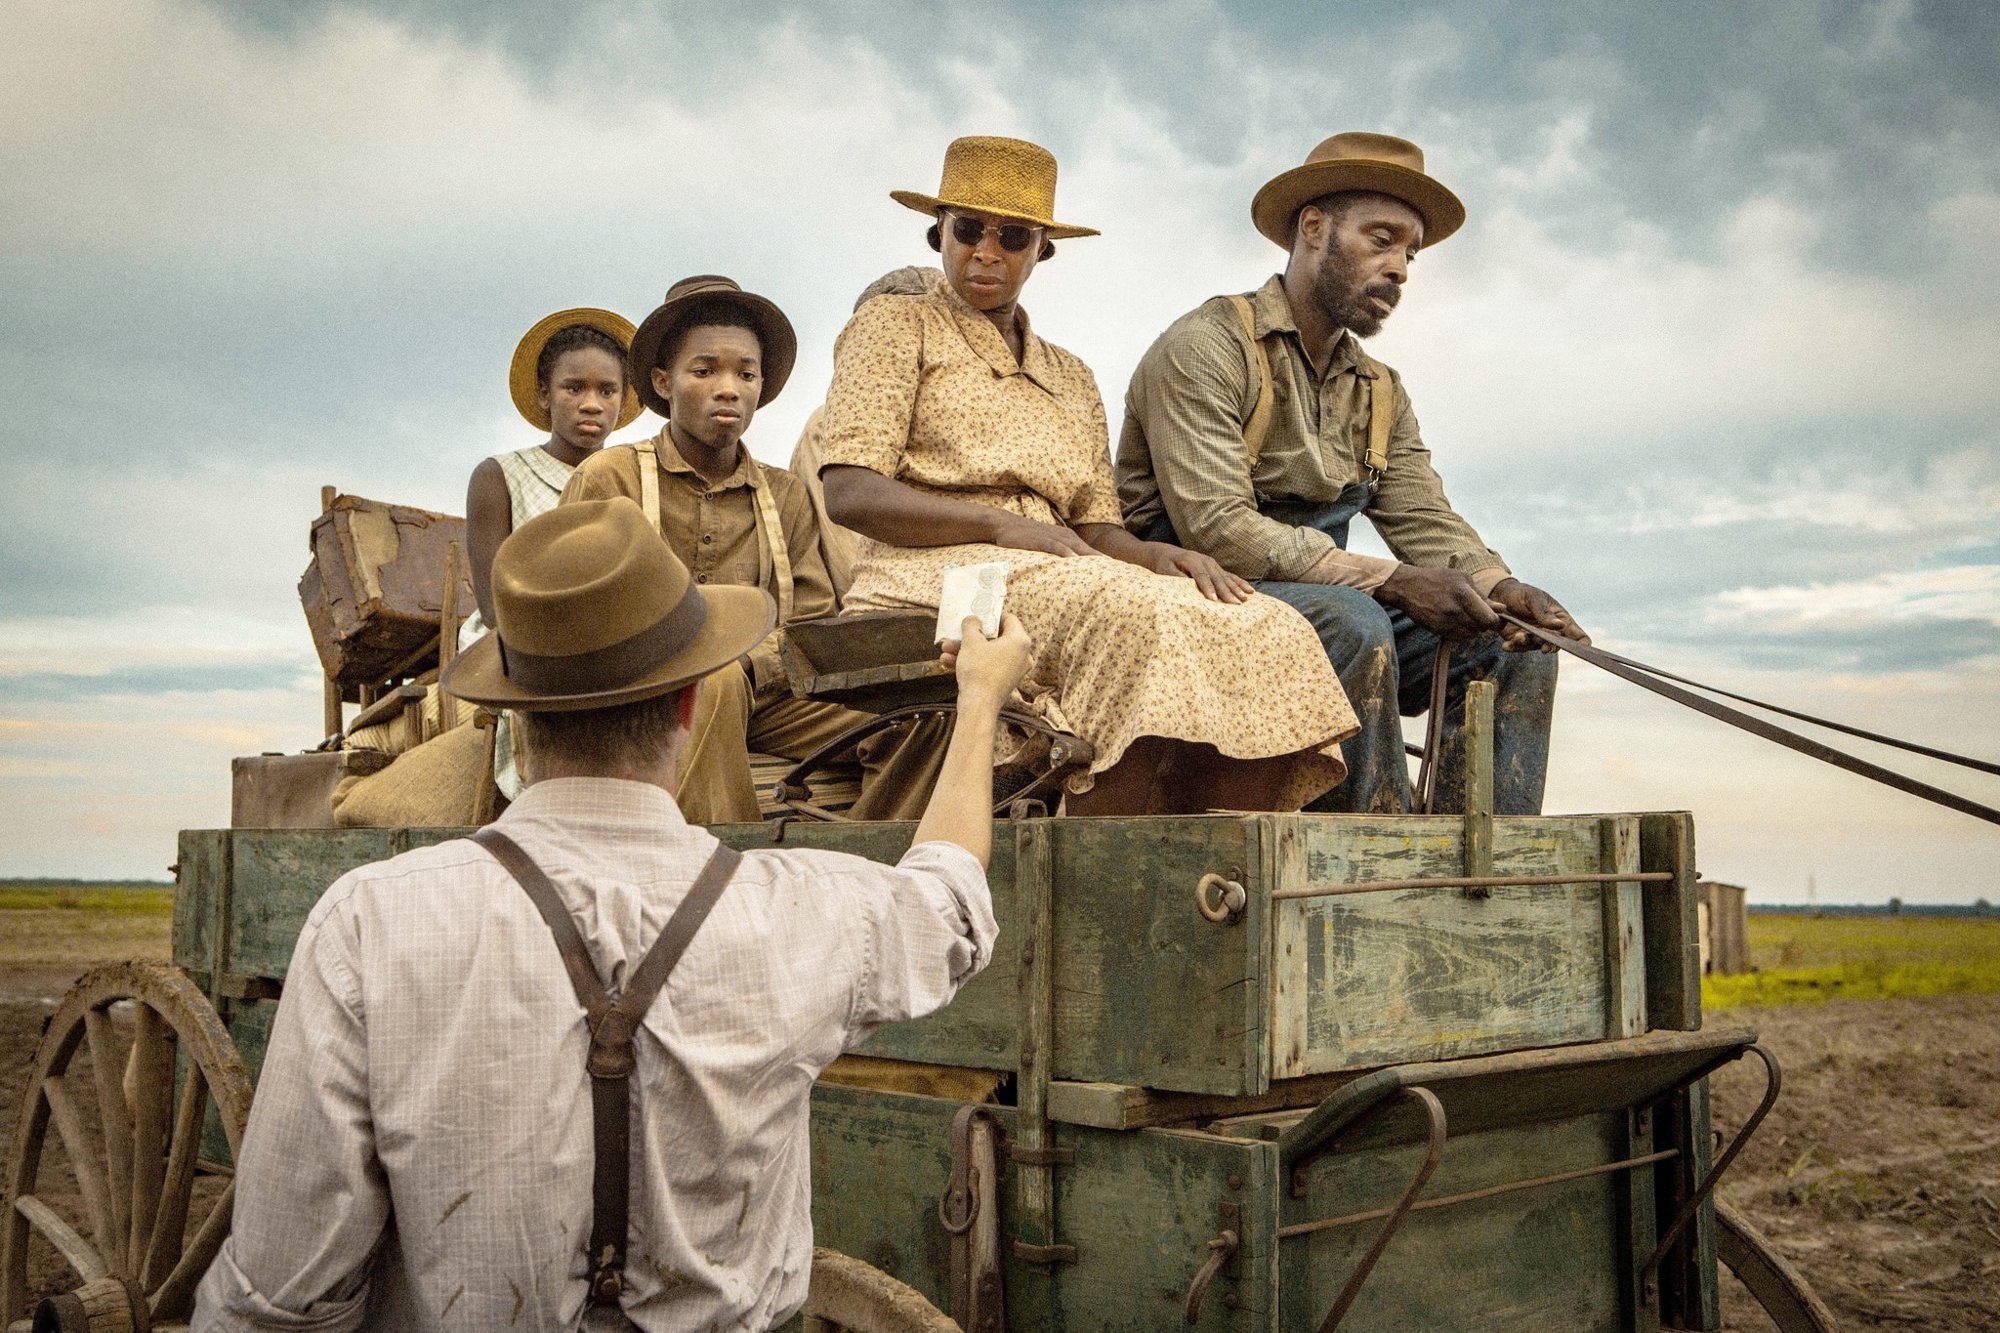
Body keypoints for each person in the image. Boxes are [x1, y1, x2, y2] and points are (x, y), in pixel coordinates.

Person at [193, 496, 1035, 1331]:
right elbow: (949, 896)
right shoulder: (803, 910)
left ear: (515, 721)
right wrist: (978, 702)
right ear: (689, 706)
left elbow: (282, 1296)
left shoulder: (368, 923)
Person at [819, 136, 1357, 816]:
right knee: (1128, 613)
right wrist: (1002, 524)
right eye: (967, 231)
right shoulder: (896, 324)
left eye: (1012, 236)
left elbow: (1094, 528)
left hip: (1056, 566)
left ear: (1042, 248)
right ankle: (1104, 858)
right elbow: (850, 490)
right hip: (930, 571)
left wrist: (1162, 555)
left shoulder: (1070, 375)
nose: (986, 252)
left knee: (1267, 624)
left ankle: (1216, 849)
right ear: (938, 234)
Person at [1118, 132, 1589, 815]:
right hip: (1189, 598)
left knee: (1512, 645)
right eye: (1382, 239)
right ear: (1314, 228)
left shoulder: (1379, 391)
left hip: (1323, 600)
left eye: (1409, 253)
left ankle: (1483, 867)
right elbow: (1218, 530)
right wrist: (1394, 581)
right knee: (1354, 624)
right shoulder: (1206, 347)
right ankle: (1377, 855)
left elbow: (1425, 517)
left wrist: (1502, 586)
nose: (1399, 267)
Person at [563, 276, 947, 823]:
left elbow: (811, 622)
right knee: (711, 680)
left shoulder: (785, 495)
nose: (729, 389)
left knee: (928, 720)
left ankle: (867, 864)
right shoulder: (610, 477)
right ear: (662, 382)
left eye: (746, 374)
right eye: (704, 371)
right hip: (635, 702)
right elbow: (577, 622)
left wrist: (750, 663)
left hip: (762, 692)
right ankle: (721, 873)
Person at [462, 308, 644, 798]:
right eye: (573, 388)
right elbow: (493, 605)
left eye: (607, 391)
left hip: (616, 643)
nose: (591, 403)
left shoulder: (634, 478)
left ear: (623, 399)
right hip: (525, 647)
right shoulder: (499, 476)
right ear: (545, 393)